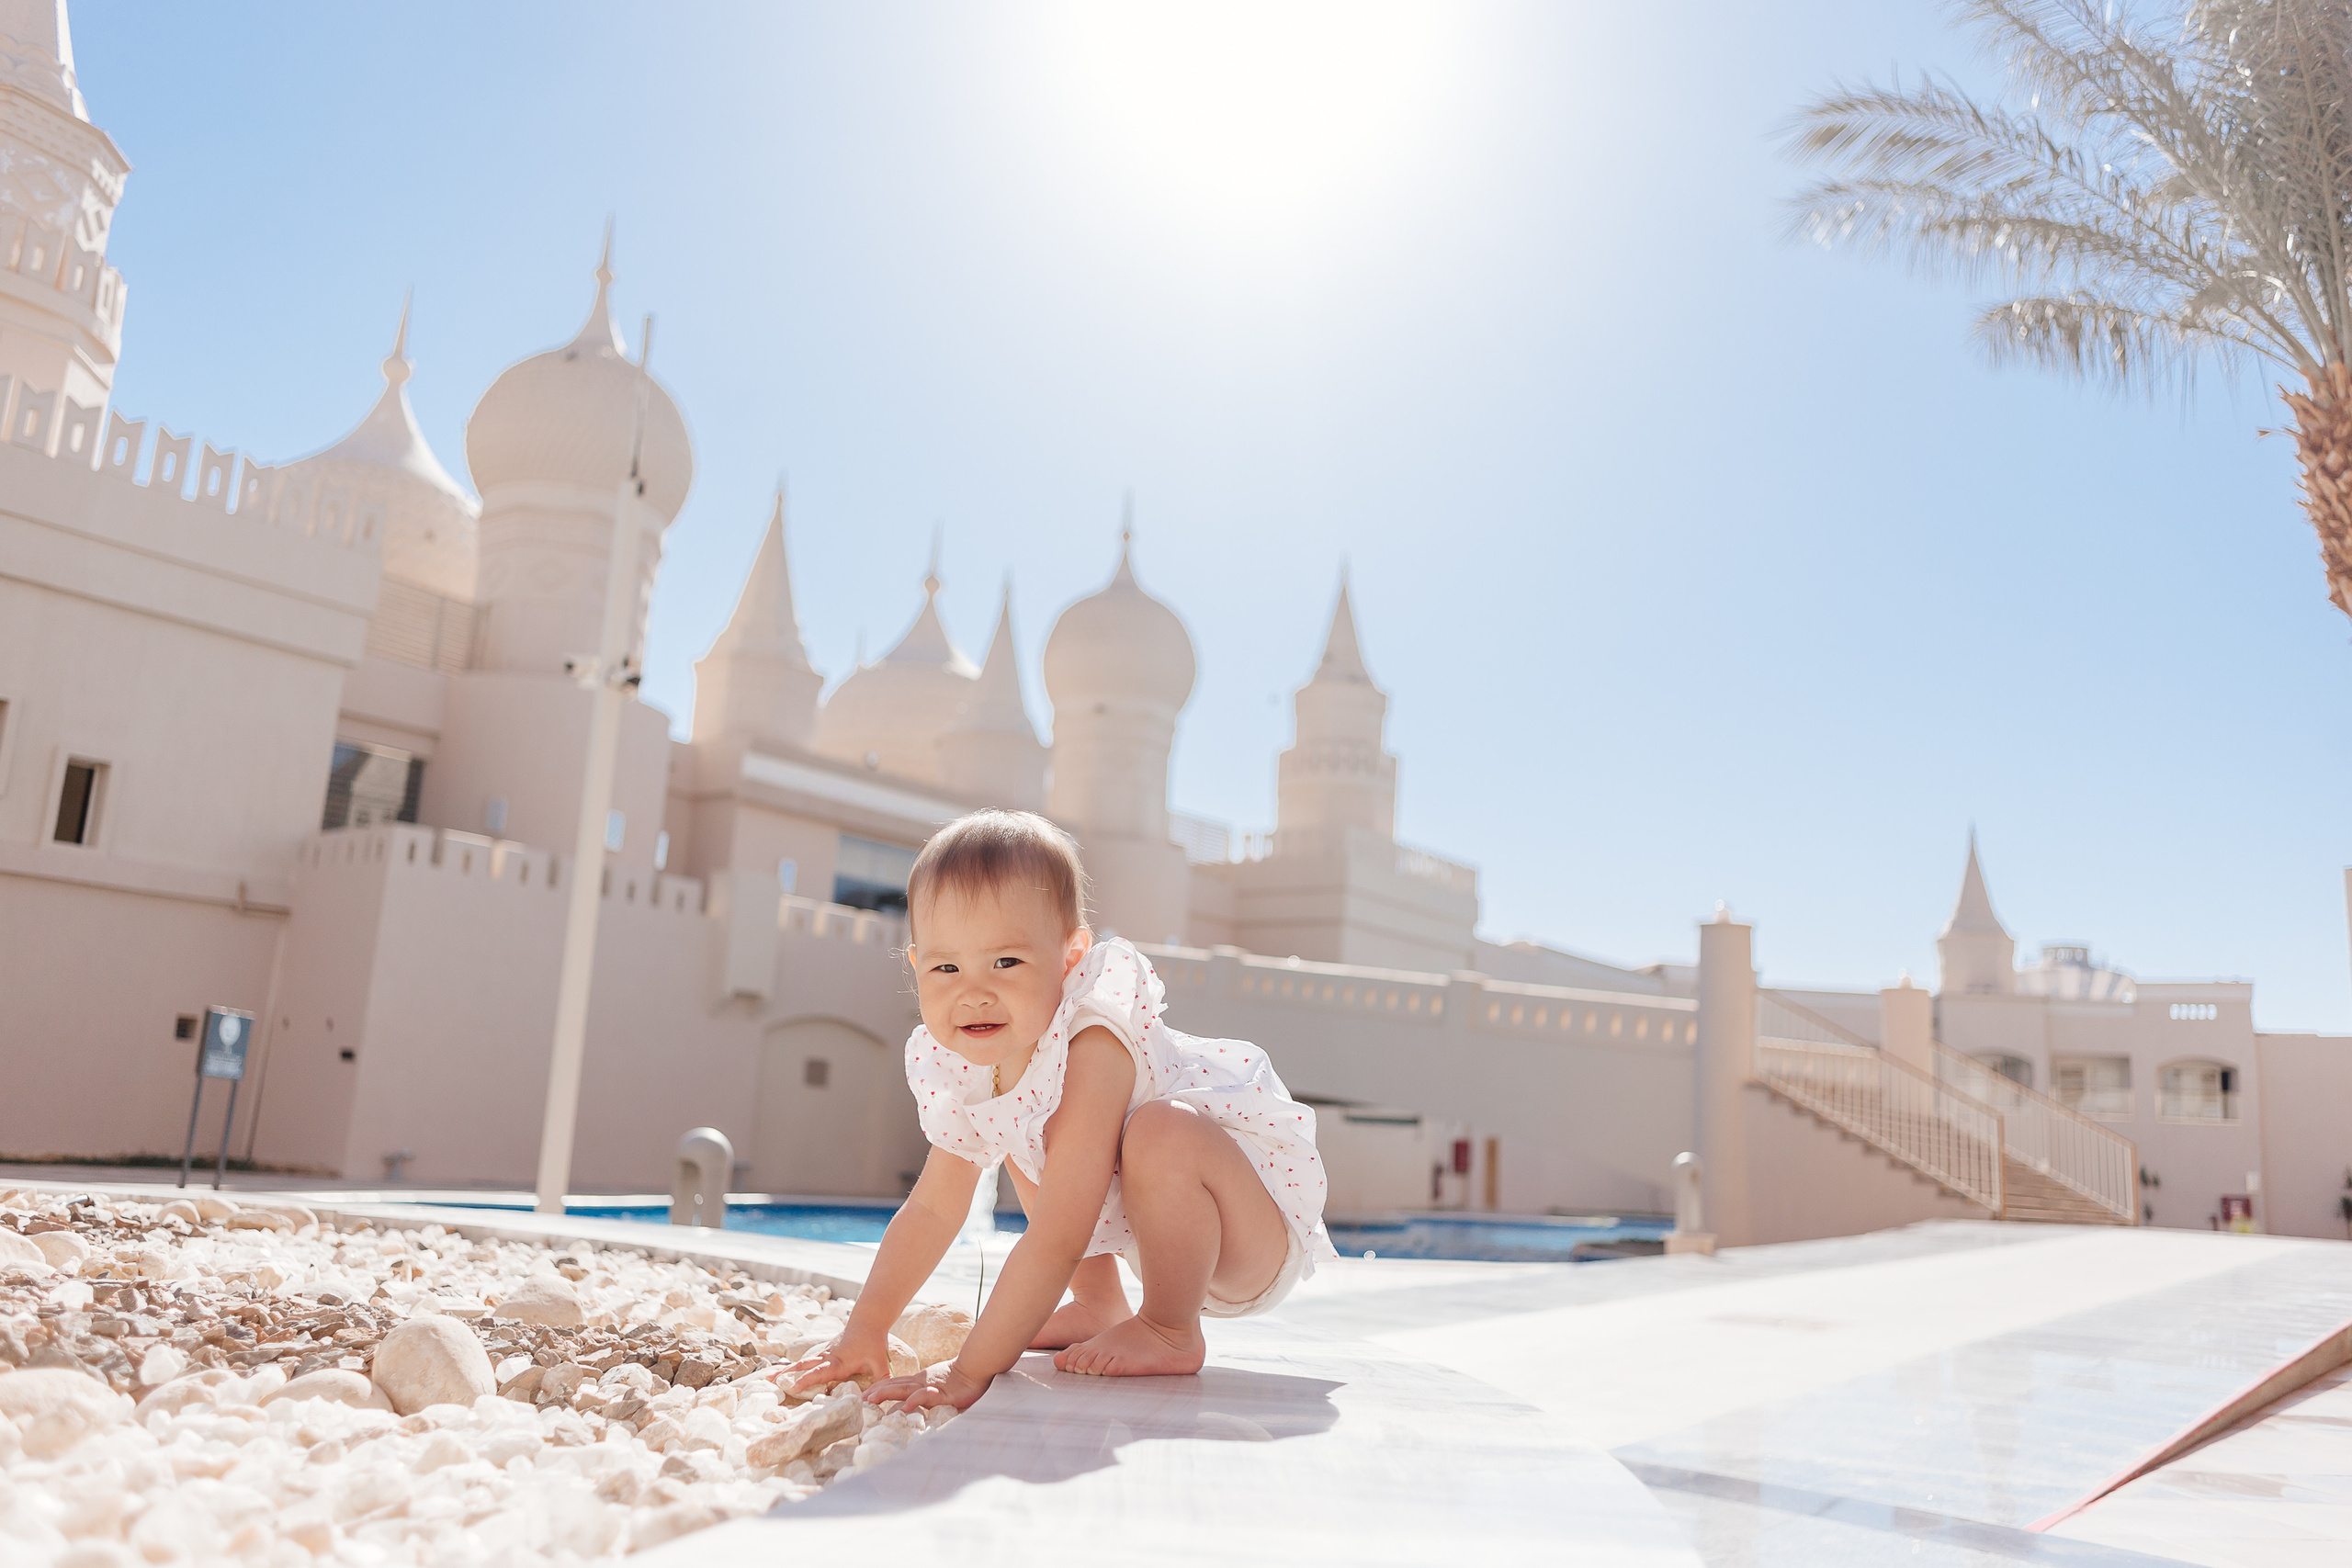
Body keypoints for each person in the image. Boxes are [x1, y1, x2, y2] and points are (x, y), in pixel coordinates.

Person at [788, 808, 1334, 1413]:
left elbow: (1057, 1235)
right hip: (1159, 1233)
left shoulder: (1094, 1041)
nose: (974, 990)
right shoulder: (975, 1063)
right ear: (916, 965)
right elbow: (934, 1206)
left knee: (1158, 1129)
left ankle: (1170, 1328)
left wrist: (967, 1371)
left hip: (1243, 1239)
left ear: (1071, 956)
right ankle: (1100, 1305)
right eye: (947, 967)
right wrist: (866, 1325)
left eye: (1006, 962)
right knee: (1025, 1128)